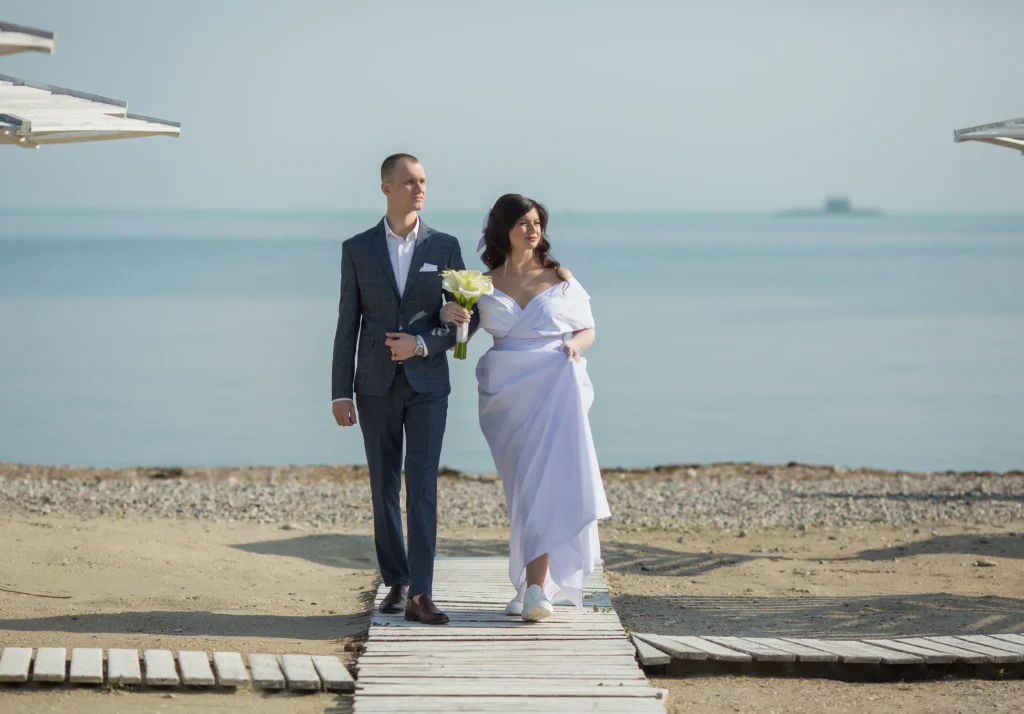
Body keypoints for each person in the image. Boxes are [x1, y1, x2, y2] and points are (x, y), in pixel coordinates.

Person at [445, 193, 610, 621]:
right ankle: (528, 585)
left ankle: (537, 587)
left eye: (537, 222)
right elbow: (464, 336)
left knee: (545, 484)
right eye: (522, 223)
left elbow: (588, 328)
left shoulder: (559, 275)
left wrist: (574, 344)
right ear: (504, 230)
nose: (532, 229)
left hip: (555, 384)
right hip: (506, 397)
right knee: (520, 489)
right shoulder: (482, 283)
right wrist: (452, 313)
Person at [331, 153, 478, 625]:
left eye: (423, 181)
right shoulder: (356, 248)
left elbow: (465, 323)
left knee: (422, 486)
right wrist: (340, 392)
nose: (419, 189)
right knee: (383, 485)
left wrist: (421, 344)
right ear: (386, 187)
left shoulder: (447, 246)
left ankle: (421, 592)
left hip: (429, 384)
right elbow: (346, 324)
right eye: (410, 181)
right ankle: (394, 580)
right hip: (373, 386)